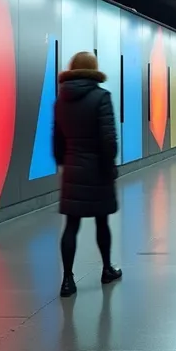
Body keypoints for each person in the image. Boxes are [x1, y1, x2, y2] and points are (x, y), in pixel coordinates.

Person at [54, 51, 122, 296]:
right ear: (94, 70)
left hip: (73, 168)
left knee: (71, 225)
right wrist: (110, 164)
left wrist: (66, 162)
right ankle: (106, 269)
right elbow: (108, 138)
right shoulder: (101, 97)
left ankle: (67, 280)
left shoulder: (61, 100)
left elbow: (57, 139)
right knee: (102, 222)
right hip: (98, 169)